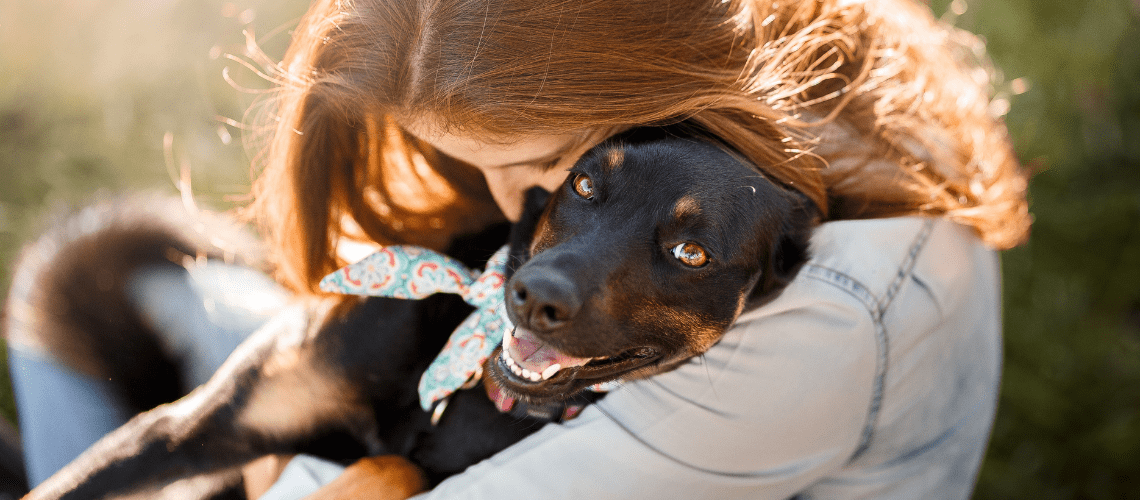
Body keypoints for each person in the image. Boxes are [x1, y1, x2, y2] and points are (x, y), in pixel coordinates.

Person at [7, 0, 1031, 498]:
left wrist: (267, 458)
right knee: (99, 268)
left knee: (102, 302)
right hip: (451, 396)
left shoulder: (803, 328)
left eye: (546, 158)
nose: (516, 211)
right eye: (578, 184)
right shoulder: (779, 57)